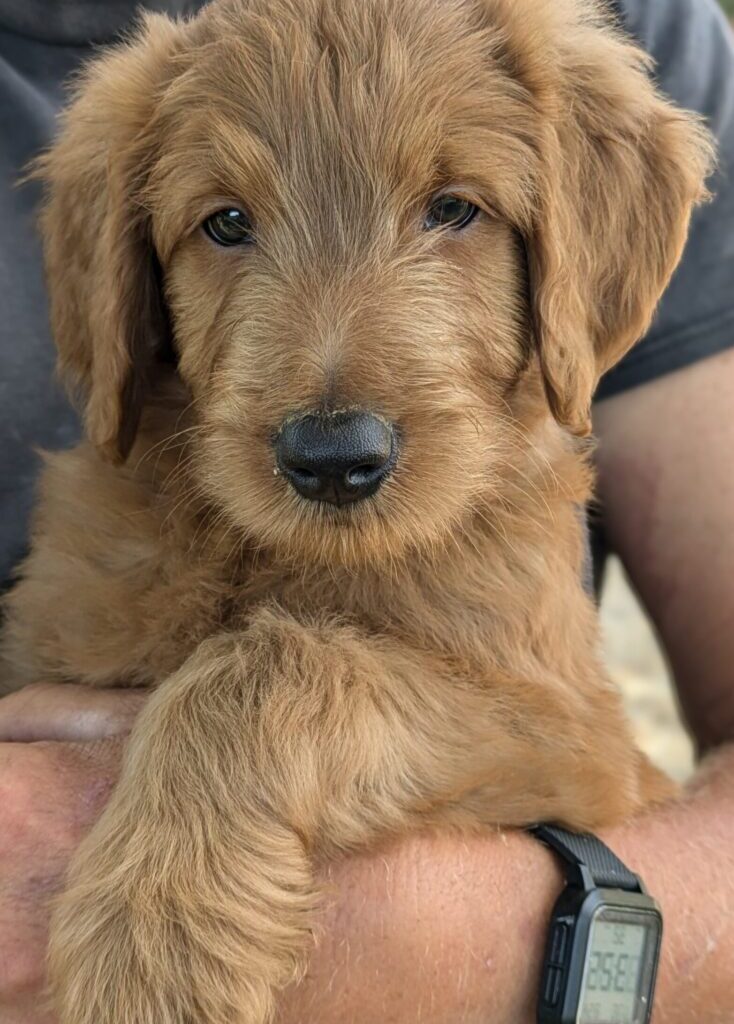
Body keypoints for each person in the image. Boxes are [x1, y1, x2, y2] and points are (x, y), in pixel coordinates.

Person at [1, 0, 733, 1021]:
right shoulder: (102, 524)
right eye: (225, 224)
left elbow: (559, 747)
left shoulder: (623, 38)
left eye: (453, 210)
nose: (331, 401)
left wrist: (260, 734)